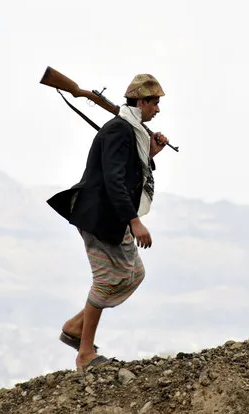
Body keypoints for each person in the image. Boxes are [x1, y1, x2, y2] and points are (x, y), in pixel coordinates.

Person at [46, 73, 169, 369]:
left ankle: (76, 327)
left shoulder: (131, 131)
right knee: (107, 279)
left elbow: (128, 171)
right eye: (155, 103)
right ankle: (85, 354)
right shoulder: (119, 130)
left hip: (113, 217)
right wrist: (134, 221)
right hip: (101, 216)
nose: (158, 109)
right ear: (141, 101)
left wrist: (150, 152)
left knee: (134, 274)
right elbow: (114, 180)